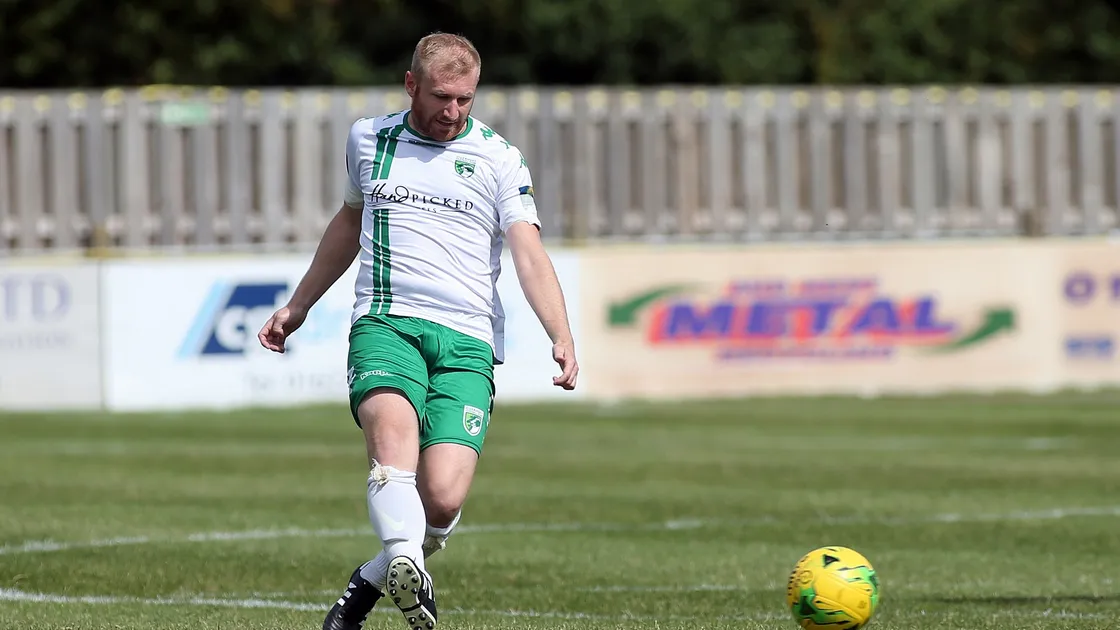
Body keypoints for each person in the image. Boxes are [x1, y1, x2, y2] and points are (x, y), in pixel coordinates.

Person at [257, 32, 579, 630]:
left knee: (443, 500)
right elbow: (349, 223)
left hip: (467, 340)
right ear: (411, 86)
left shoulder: (499, 159)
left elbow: (529, 253)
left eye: (465, 99)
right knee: (393, 453)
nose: (452, 111)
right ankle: (408, 566)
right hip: (387, 324)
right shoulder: (368, 139)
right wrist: (299, 304)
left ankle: (378, 575)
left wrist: (559, 333)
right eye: (440, 97)